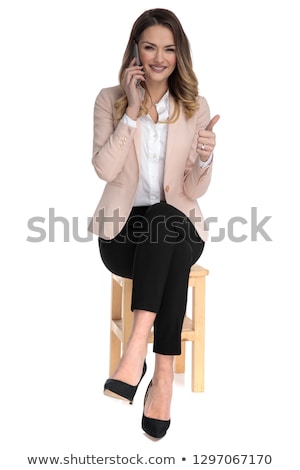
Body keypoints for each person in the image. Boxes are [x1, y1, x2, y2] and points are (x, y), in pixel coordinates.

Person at [88, 8, 219, 439]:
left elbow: (194, 192)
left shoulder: (195, 106)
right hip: (123, 233)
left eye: (168, 48)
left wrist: (204, 156)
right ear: (135, 51)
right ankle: (161, 376)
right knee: (163, 230)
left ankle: (139, 360)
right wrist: (131, 113)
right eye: (150, 47)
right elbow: (105, 171)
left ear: (179, 54)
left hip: (180, 227)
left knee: (167, 218)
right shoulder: (110, 99)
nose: (159, 58)